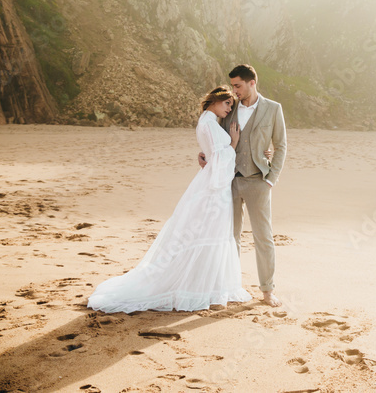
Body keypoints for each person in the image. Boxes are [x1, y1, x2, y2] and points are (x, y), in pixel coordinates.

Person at [87, 86, 252, 313]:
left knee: (207, 234)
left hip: (211, 183)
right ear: (215, 101)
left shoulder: (207, 121)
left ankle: (206, 285)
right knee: (208, 232)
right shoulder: (209, 124)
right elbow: (219, 159)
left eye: (231, 105)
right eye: (227, 104)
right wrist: (233, 142)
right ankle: (198, 288)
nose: (229, 109)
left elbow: (211, 155)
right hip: (214, 187)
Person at [199, 64, 287, 307]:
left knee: (263, 237)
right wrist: (204, 154)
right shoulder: (229, 109)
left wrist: (271, 178)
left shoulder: (273, 109)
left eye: (238, 86)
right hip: (230, 181)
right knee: (230, 236)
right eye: (233, 86)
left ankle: (267, 291)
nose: (234, 91)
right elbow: (216, 139)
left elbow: (281, 145)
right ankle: (231, 287)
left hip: (259, 180)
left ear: (252, 83)